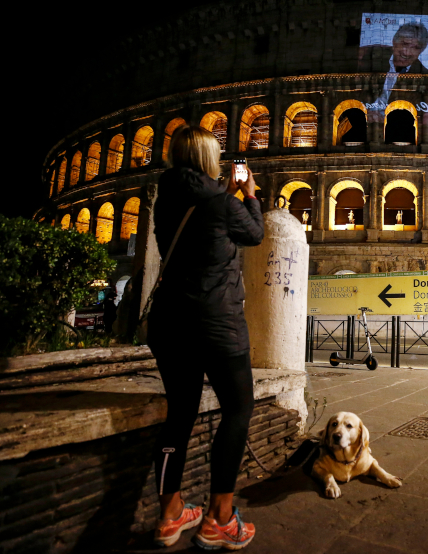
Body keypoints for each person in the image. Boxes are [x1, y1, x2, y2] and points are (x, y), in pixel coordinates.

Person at [147, 125, 263, 550]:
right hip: (215, 321)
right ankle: (219, 517)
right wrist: (248, 193)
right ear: (208, 158)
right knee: (238, 408)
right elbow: (253, 233)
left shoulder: (165, 197)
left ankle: (170, 514)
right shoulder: (219, 200)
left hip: (169, 322)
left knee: (180, 413)